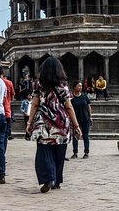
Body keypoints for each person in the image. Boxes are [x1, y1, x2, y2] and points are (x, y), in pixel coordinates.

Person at [26, 57, 82, 193]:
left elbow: (34, 103)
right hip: (61, 122)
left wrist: (29, 122)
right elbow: (68, 106)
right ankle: (56, 180)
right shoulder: (63, 85)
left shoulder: (38, 84)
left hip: (43, 122)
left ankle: (48, 178)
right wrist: (76, 125)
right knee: (59, 152)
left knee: (43, 150)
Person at [70, 80, 92, 159]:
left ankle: (86, 152)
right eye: (79, 86)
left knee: (85, 135)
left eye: (81, 86)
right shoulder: (71, 98)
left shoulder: (84, 96)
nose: (80, 87)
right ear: (75, 87)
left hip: (85, 118)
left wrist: (90, 117)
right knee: (75, 136)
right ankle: (75, 152)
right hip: (76, 120)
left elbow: (88, 106)